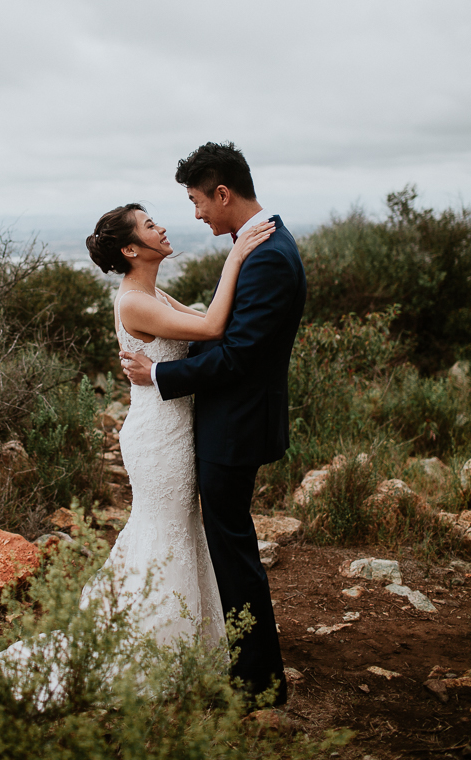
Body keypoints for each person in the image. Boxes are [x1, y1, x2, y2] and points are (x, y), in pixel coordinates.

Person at [0, 198, 274, 721]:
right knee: (164, 534)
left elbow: (212, 322)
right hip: (159, 438)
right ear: (132, 248)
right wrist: (235, 259)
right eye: (149, 224)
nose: (162, 226)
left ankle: (193, 645)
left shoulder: (153, 292)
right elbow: (209, 332)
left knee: (181, 531)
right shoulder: (133, 302)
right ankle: (155, 650)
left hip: (176, 430)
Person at [121, 142, 307, 706]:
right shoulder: (259, 244)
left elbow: (241, 355)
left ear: (222, 193)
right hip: (226, 423)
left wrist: (160, 377)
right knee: (226, 543)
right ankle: (239, 660)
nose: (196, 213)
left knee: (232, 549)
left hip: (235, 428)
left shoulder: (269, 254)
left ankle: (258, 684)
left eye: (197, 200)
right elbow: (222, 331)